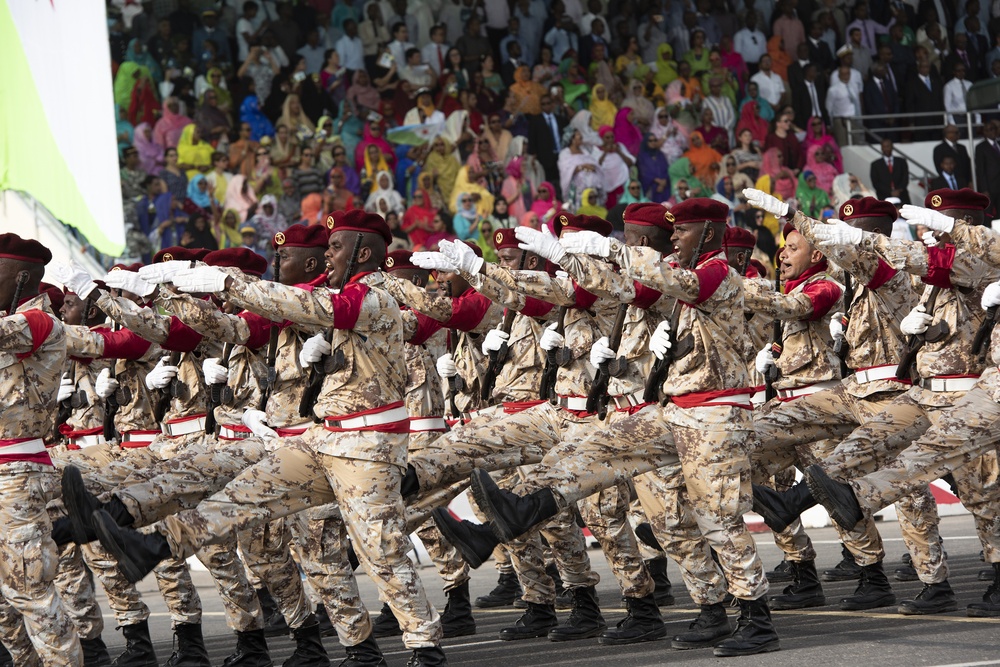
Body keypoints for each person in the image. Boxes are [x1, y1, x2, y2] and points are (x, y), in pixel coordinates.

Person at [870, 138, 910, 204]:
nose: (886, 149)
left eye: (888, 146)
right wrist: (890, 192)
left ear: (892, 147)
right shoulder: (875, 164)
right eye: (884, 147)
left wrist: (898, 190)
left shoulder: (901, 161)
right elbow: (876, 183)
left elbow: (905, 178)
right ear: (881, 148)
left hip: (902, 195)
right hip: (883, 196)